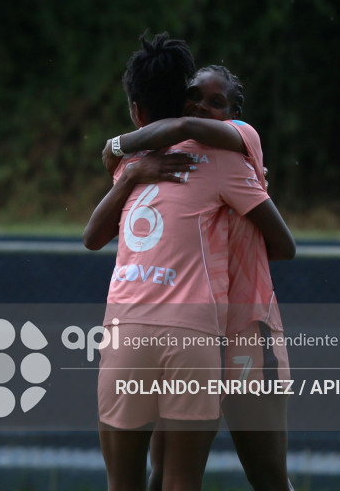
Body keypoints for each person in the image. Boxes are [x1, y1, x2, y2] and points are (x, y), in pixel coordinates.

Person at [84, 32, 291, 491]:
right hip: (197, 326)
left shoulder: (235, 146)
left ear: (235, 117)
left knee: (268, 476)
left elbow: (285, 247)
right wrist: (126, 160)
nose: (200, 107)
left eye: (215, 102)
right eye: (192, 97)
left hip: (246, 329)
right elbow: (93, 234)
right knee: (165, 475)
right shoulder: (159, 159)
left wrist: (117, 146)